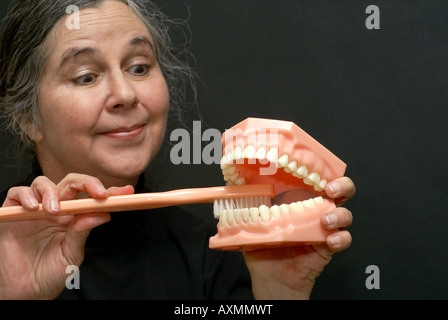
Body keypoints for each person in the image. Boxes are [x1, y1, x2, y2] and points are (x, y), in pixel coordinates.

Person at [0, 0, 354, 300]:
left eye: (139, 67)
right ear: (26, 117)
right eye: (86, 76)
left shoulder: (215, 256)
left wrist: (278, 290)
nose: (125, 94)